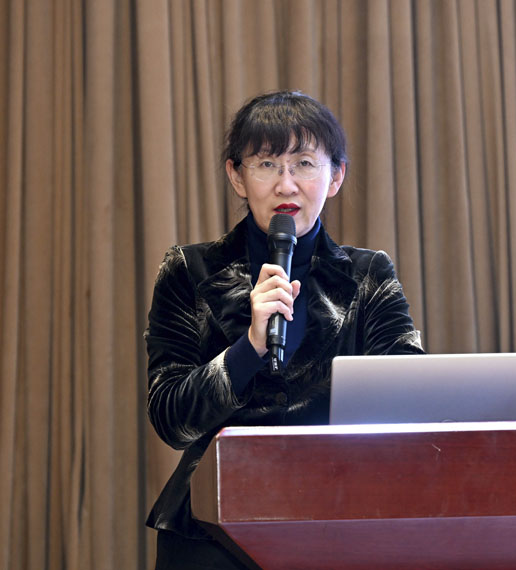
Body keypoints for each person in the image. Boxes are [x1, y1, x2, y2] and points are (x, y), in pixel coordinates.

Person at [144, 90, 424, 569]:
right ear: (237, 176)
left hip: (338, 523)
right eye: (267, 164)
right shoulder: (189, 270)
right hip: (211, 530)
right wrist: (248, 348)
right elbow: (172, 420)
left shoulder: (369, 275)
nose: (286, 184)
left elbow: (411, 399)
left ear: (335, 176)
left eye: (304, 164)